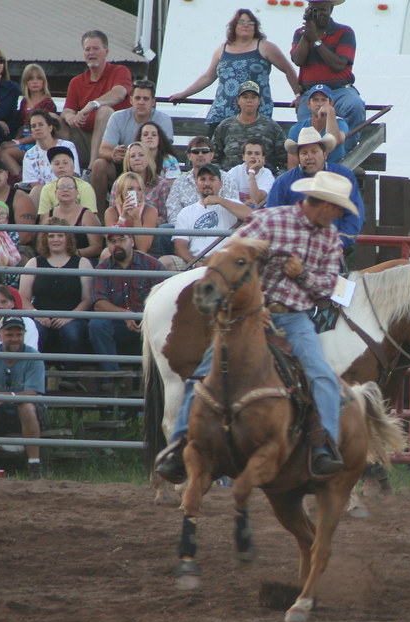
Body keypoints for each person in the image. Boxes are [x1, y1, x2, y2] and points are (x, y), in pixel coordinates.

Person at [154, 170, 358, 482]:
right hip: (249, 314)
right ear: (324, 205)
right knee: (202, 374)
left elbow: (327, 286)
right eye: (338, 208)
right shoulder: (271, 220)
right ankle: (180, 443)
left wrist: (302, 274)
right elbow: (229, 254)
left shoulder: (330, 238)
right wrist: (257, 302)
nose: (339, 215)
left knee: (321, 374)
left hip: (294, 317)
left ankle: (323, 445)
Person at [167, 8, 299, 136]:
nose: (245, 26)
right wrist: (184, 94)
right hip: (223, 112)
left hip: (254, 113)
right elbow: (208, 77)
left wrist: (298, 95)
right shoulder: (222, 49)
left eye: (250, 23)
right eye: (241, 22)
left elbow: (288, 69)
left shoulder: (265, 47)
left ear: (255, 27)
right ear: (234, 26)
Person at [0, 316, 47, 479]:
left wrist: (5, 396)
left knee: (26, 406)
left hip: (28, 412)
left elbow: (33, 393)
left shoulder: (33, 356)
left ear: (24, 335)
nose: (15, 339)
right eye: (10, 334)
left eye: (19, 334)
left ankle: (34, 465)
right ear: (0, 335)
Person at [89, 233, 165, 391]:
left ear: (131, 241)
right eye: (112, 241)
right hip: (118, 325)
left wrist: (144, 319)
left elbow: (163, 301)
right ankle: (111, 378)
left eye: (121, 240)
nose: (117, 244)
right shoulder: (102, 269)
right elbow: (98, 303)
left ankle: (159, 383)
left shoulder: (153, 265)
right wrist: (125, 315)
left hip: (149, 323)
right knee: (97, 324)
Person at [19, 232, 94, 390]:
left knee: (72, 333)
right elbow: (23, 297)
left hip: (73, 317)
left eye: (60, 235)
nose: (55, 240)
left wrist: (69, 317)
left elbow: (87, 299)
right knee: (34, 332)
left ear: (68, 238)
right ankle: (35, 381)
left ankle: (70, 378)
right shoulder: (34, 263)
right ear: (45, 239)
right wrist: (36, 314)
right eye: (51, 236)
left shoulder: (82, 263)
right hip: (40, 316)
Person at [268, 127, 363, 252]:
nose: (309, 157)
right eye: (304, 153)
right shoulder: (283, 182)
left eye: (314, 151)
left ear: (325, 154)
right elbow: (273, 218)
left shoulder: (344, 176)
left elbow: (354, 213)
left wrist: (342, 241)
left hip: (333, 247)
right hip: (293, 250)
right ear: (298, 157)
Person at [90, 79, 173, 217]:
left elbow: (165, 151)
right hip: (122, 165)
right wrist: (113, 154)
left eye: (146, 99)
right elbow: (103, 149)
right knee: (99, 164)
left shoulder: (163, 119)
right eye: (138, 98)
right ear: (131, 100)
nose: (141, 102)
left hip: (154, 166)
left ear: (153, 102)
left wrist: (143, 159)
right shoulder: (117, 117)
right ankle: (99, 218)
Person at [291, 0, 366, 152]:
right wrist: (307, 36)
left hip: (340, 90)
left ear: (331, 9)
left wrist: (317, 42)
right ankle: (314, 156)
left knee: (355, 106)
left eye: (323, 9)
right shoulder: (300, 34)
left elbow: (338, 65)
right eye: (314, 10)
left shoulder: (345, 32)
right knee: (306, 122)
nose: (319, 13)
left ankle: (346, 154)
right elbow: (298, 60)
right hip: (312, 92)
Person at [61, 30, 133, 169]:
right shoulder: (76, 82)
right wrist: (71, 117)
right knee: (55, 121)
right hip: (83, 138)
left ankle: (91, 169)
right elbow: (67, 110)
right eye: (87, 49)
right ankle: (56, 170)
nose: (91, 53)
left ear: (106, 52)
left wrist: (92, 104)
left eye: (96, 48)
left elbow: (118, 93)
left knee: (104, 111)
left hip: (114, 142)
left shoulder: (120, 71)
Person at [163, 163, 251, 271]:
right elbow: (180, 247)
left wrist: (219, 200)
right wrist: (195, 263)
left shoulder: (232, 204)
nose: (207, 183)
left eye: (212, 179)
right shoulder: (186, 212)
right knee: (165, 262)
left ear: (220, 184)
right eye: (203, 179)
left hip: (225, 261)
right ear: (197, 184)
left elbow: (251, 216)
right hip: (195, 262)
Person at [0, 63, 58, 179]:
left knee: (5, 153)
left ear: (44, 81)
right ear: (25, 82)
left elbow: (42, 131)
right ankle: (19, 178)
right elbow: (23, 126)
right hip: (25, 139)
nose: (35, 82)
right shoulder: (24, 102)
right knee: (2, 150)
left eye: (38, 78)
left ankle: (24, 180)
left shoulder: (47, 103)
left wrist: (18, 142)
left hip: (39, 142)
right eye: (30, 79)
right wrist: (14, 140)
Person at [211, 80, 286, 171]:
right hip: (230, 180)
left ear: (259, 101)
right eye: (245, 97)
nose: (249, 100)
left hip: (263, 181)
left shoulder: (272, 127)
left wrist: (275, 180)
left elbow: (285, 160)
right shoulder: (225, 126)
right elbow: (212, 158)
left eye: (253, 97)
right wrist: (221, 178)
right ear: (238, 100)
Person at [165, 137, 240, 224]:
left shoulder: (227, 179)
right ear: (189, 156)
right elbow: (173, 213)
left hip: (219, 229)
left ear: (211, 155)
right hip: (185, 229)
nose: (200, 154)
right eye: (195, 152)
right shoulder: (179, 183)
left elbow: (234, 209)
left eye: (205, 151)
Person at [39, 176, 103, 261]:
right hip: (52, 259)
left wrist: (72, 254)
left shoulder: (87, 215)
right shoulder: (47, 216)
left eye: (70, 187)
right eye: (61, 187)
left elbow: (97, 247)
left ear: (77, 192)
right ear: (55, 192)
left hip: (81, 260)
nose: (65, 190)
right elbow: (40, 246)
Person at [286, 83, 348, 168]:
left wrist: (330, 112)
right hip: (307, 173)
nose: (319, 104)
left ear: (331, 103)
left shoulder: (340, 123)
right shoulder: (297, 128)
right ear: (308, 104)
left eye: (323, 100)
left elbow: (335, 141)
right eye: (315, 100)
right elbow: (292, 165)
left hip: (334, 172)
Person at [18, 110, 80, 194]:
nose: (37, 128)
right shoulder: (29, 155)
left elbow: (74, 175)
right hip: (44, 195)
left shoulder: (67, 146)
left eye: (41, 124)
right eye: (33, 126)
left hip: (68, 190)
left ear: (50, 127)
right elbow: (35, 186)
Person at [104, 171, 160, 254]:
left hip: (145, 255)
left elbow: (143, 248)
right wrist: (122, 218)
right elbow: (113, 243)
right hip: (120, 253)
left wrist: (136, 219)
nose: (136, 193)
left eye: (139, 189)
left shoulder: (150, 211)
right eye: (130, 189)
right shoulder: (111, 212)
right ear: (121, 191)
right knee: (105, 253)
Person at [35, 146, 97, 214]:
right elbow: (43, 218)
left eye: (65, 163)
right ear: (52, 168)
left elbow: (90, 216)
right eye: (57, 164)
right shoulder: (47, 189)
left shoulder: (85, 187)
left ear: (73, 167)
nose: (61, 166)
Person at [121, 142, 170, 223]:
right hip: (124, 227)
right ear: (127, 161)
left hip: (152, 230)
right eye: (132, 156)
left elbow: (164, 217)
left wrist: (144, 222)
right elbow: (113, 210)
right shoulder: (118, 184)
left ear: (148, 158)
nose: (137, 158)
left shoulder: (163, 185)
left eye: (141, 155)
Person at [224, 137, 274, 207]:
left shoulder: (267, 175)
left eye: (257, 153)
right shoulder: (235, 171)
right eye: (249, 153)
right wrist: (242, 205)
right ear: (243, 157)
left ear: (263, 158)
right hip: (236, 212)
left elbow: (256, 199)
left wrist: (251, 172)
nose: (253, 156)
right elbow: (224, 197)